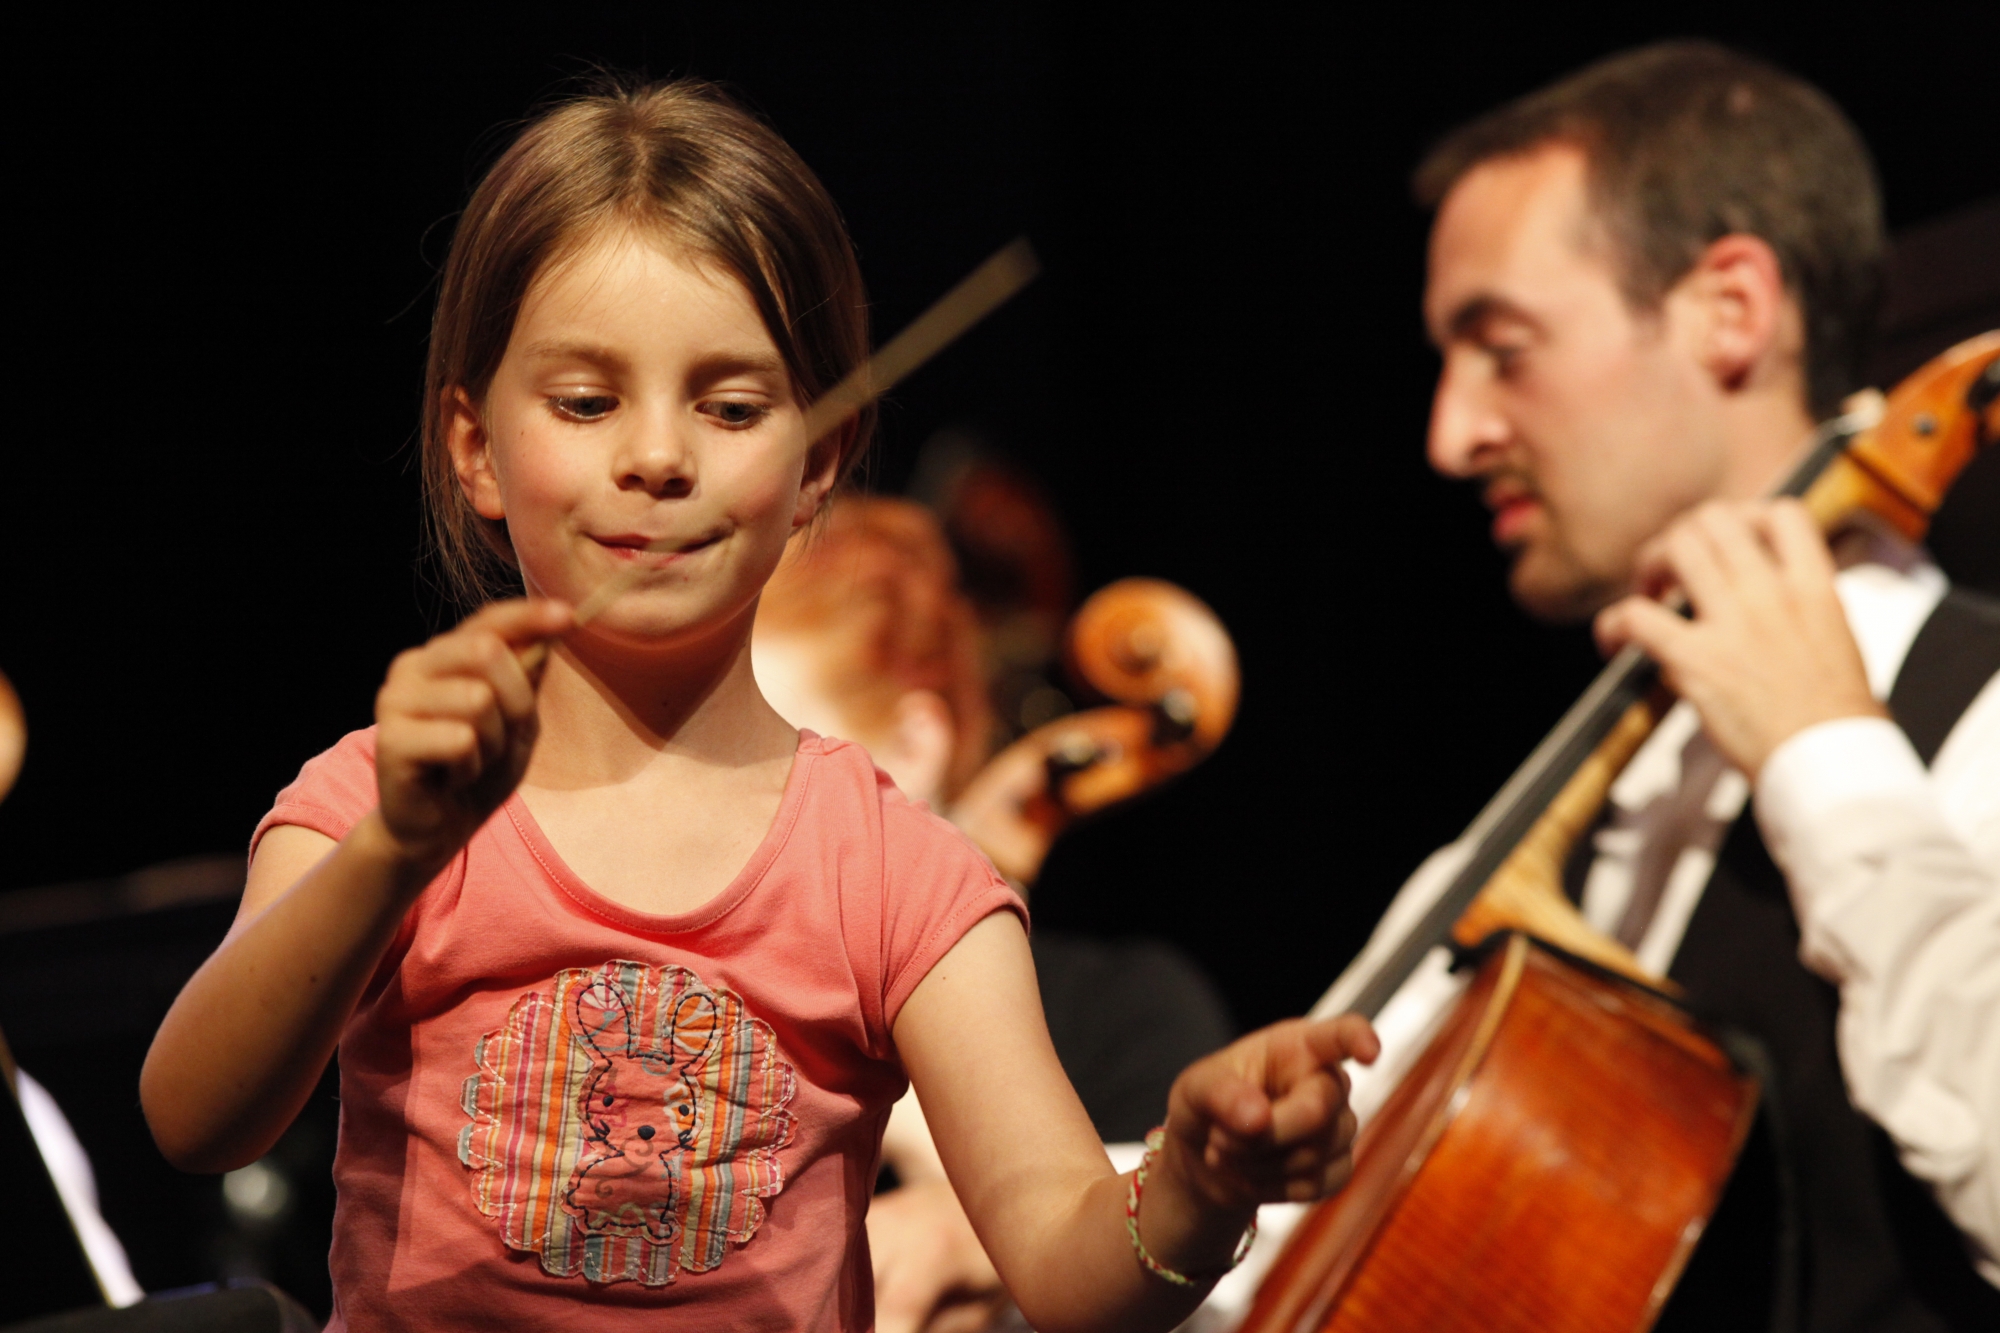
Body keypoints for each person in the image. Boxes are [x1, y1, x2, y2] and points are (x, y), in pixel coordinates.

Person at [136, 79, 1377, 1333]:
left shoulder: (897, 872)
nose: (659, 456)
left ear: (816, 464)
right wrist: (397, 850)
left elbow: (1066, 1264)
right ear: (474, 450)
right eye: (584, 402)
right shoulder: (372, 801)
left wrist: (1197, 1191)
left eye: (729, 408)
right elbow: (197, 1119)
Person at [1317, 41, 2000, 1332]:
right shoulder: (1568, 797)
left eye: (1501, 344)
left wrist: (1823, 757)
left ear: (1729, 310)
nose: (1450, 433)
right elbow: (1302, 1218)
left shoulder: (1985, 717)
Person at [751, 495, 1240, 1333]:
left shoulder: (1122, 1013)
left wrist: (926, 1151)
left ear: (911, 747)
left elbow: (1215, 1286)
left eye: (757, 769)